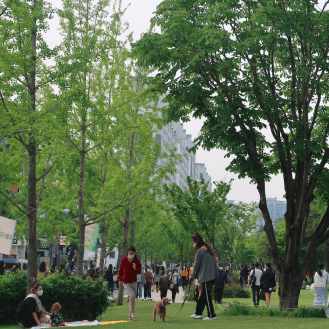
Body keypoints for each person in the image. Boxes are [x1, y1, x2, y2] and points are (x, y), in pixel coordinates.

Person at [190, 232, 217, 321]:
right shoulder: (209, 248)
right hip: (212, 275)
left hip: (206, 276)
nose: (193, 244)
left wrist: (192, 275)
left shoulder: (200, 251)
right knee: (204, 295)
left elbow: (196, 265)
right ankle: (198, 313)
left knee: (206, 295)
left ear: (196, 242)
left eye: (193, 242)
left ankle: (211, 315)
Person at [118, 246, 142, 321]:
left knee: (133, 298)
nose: (130, 255)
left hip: (133, 282)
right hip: (126, 282)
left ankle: (130, 317)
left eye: (132, 253)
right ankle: (132, 313)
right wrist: (120, 279)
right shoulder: (124, 260)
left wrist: (135, 268)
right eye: (129, 253)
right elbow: (121, 270)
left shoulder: (137, 261)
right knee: (131, 296)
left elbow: (139, 272)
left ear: (134, 253)